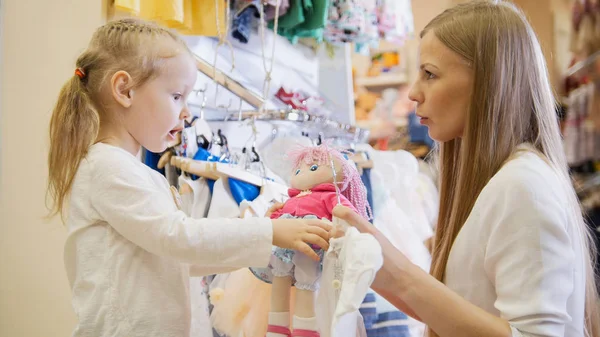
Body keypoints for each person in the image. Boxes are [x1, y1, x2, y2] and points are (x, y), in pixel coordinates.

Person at [46, 18, 331, 337]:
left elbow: (176, 259)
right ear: (124, 90)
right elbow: (177, 238)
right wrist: (268, 232)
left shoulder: (136, 172)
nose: (187, 113)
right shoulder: (106, 167)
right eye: (177, 96)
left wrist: (265, 242)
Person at [332, 1, 600, 337]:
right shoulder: (506, 180)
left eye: (429, 74)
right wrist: (378, 264)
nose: (414, 92)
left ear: (489, 80)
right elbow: (467, 311)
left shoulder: (523, 184)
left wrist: (398, 273)